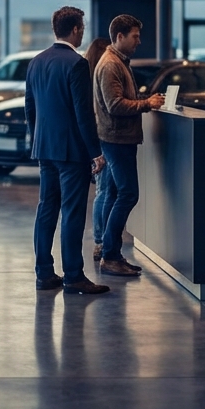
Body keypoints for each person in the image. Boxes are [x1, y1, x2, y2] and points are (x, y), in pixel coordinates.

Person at [25, 6, 110, 295]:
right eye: (81, 29)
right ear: (75, 30)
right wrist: (95, 152)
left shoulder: (36, 62)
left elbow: (30, 108)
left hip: (44, 149)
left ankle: (44, 274)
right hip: (71, 152)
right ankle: (74, 275)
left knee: (46, 209)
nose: (82, 33)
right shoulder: (76, 63)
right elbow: (82, 114)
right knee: (72, 213)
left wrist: (37, 140)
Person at [92, 14, 165, 277]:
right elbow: (115, 105)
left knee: (114, 195)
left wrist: (146, 99)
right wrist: (147, 104)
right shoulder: (111, 64)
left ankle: (110, 252)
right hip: (116, 139)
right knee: (128, 195)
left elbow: (122, 98)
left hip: (116, 139)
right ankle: (111, 255)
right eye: (134, 36)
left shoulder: (118, 61)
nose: (139, 41)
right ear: (119, 36)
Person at [83, 38, 116, 260]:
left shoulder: (85, 77)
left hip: (95, 140)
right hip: (103, 139)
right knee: (105, 191)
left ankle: (102, 240)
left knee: (104, 191)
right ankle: (100, 241)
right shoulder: (102, 77)